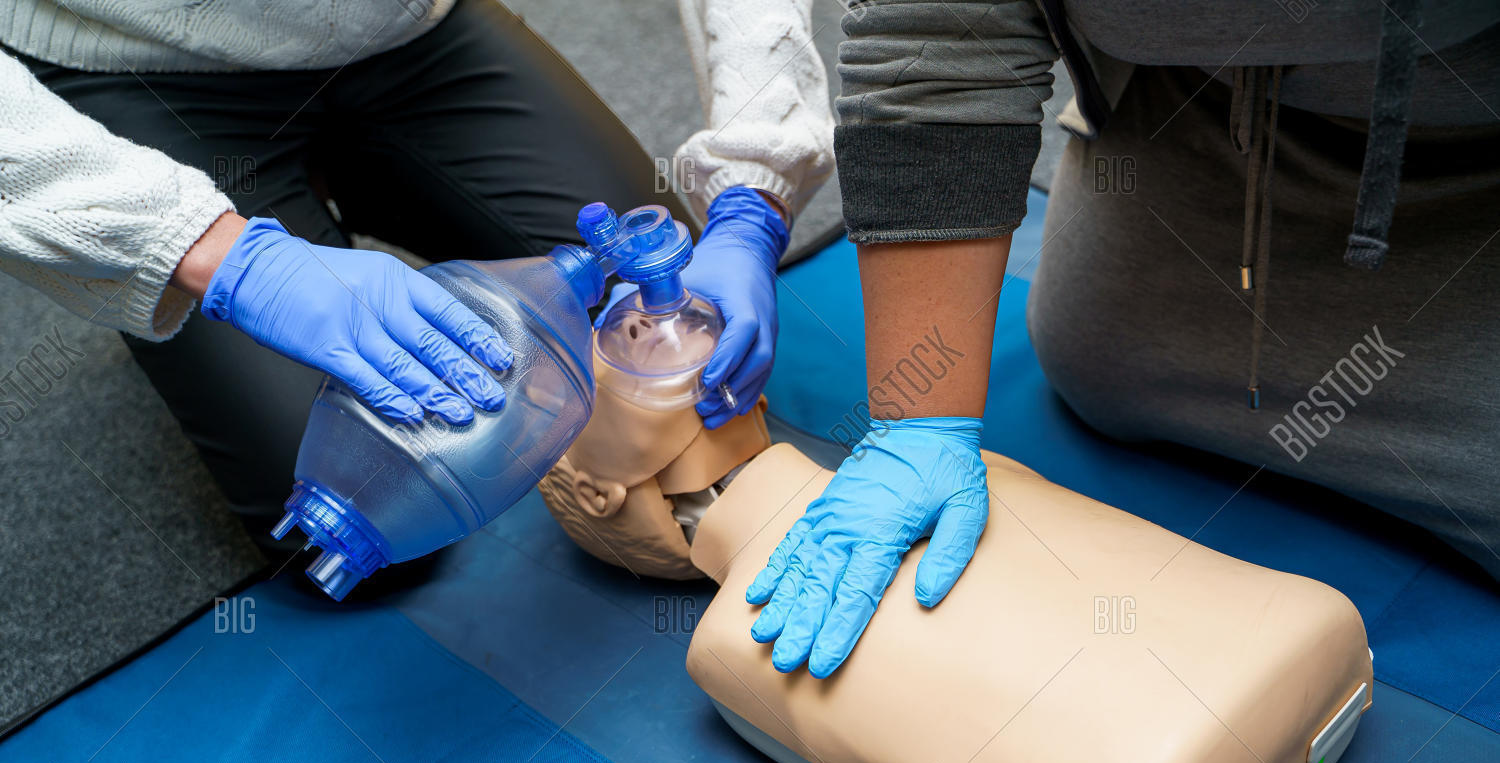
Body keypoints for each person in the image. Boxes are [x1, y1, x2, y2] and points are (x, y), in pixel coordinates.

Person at [749, 0, 1500, 678]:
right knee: (1101, 363)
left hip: (1467, 175)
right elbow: (942, 27)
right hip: (1196, 120)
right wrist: (917, 426)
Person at [0, 0, 833, 552]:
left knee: (669, 305)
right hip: (128, 62)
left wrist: (753, 190)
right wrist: (204, 250)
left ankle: (346, 192)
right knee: (341, 518)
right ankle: (217, 236)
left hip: (405, 34)